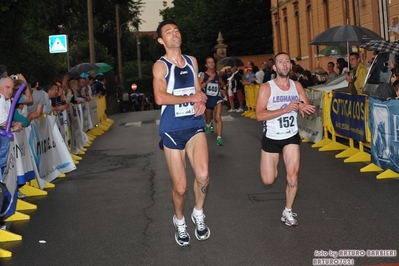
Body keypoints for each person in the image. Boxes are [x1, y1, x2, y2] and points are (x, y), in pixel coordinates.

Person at [152, 20, 210, 247]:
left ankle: (198, 213)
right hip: (172, 129)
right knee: (181, 187)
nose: (174, 33)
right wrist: (190, 99)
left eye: (176, 30)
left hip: (194, 124)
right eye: (168, 32)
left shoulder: (192, 61)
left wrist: (202, 100)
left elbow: (197, 91)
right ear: (161, 40)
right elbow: (160, 98)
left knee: (203, 175)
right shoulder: (160, 66)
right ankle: (179, 220)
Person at [255, 52, 315, 226]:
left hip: (290, 136)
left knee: (293, 177)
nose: (285, 64)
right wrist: (285, 109)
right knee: (268, 179)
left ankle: (287, 211)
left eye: (287, 61)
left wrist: (304, 107)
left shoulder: (297, 86)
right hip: (271, 137)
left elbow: (307, 105)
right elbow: (259, 115)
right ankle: (273, 167)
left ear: (291, 66)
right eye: (280, 62)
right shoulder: (267, 88)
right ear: (274, 67)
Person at [198, 56, 225, 146]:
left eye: (213, 62)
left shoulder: (217, 73)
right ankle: (209, 124)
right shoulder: (203, 75)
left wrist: (221, 88)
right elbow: (198, 87)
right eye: (209, 62)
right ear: (206, 65)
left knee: (218, 117)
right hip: (208, 99)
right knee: (208, 118)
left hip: (217, 98)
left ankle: (219, 138)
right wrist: (207, 81)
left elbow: (221, 84)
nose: (211, 64)